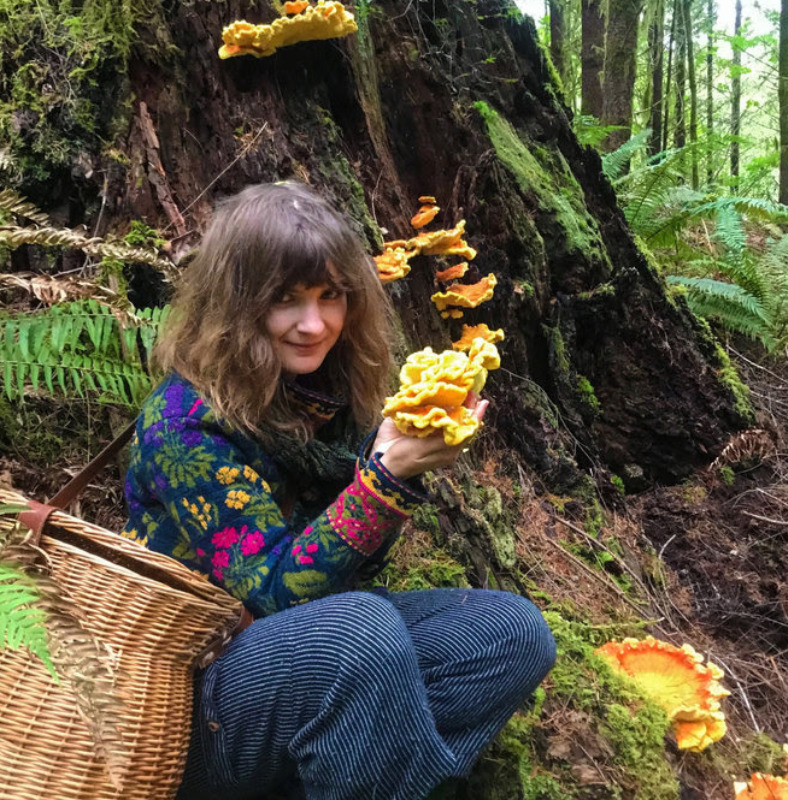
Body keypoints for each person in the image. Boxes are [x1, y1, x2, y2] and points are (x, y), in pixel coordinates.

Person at [121, 181, 556, 800]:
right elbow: (273, 594)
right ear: (236, 302)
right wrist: (383, 481)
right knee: (360, 630)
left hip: (300, 664)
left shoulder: (325, 395)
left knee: (510, 633)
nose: (314, 323)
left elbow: (354, 565)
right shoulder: (185, 421)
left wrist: (389, 469)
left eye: (331, 296)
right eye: (286, 299)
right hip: (192, 704)